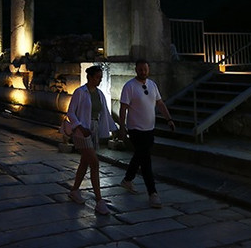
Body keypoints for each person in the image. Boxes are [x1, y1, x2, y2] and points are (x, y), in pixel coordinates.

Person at [118, 59, 175, 208]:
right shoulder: (129, 86)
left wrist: (169, 119)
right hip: (135, 128)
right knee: (145, 160)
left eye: (145, 69)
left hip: (149, 128)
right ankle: (153, 193)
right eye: (140, 69)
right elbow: (123, 107)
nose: (143, 72)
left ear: (148, 70)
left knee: (140, 155)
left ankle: (127, 179)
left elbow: (160, 103)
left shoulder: (152, 85)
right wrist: (122, 128)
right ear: (136, 70)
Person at [65, 65, 117, 215]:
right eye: (97, 77)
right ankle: (99, 200)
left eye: (100, 78)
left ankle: (74, 190)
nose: (99, 80)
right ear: (90, 77)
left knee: (85, 161)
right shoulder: (80, 92)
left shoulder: (100, 94)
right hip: (82, 132)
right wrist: (79, 126)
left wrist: (113, 129)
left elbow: (105, 113)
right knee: (94, 162)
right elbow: (71, 112)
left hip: (93, 129)